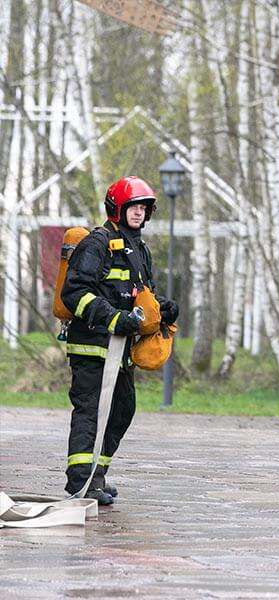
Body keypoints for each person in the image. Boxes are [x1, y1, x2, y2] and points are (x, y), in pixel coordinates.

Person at [60, 176, 179, 504]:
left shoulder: (139, 249)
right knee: (90, 410)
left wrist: (162, 309)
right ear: (117, 208)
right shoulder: (98, 243)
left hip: (120, 350)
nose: (139, 213)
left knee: (123, 408)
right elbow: (74, 292)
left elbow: (141, 294)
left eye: (143, 208)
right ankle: (80, 483)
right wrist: (115, 318)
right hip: (92, 345)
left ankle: (97, 474)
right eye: (133, 207)